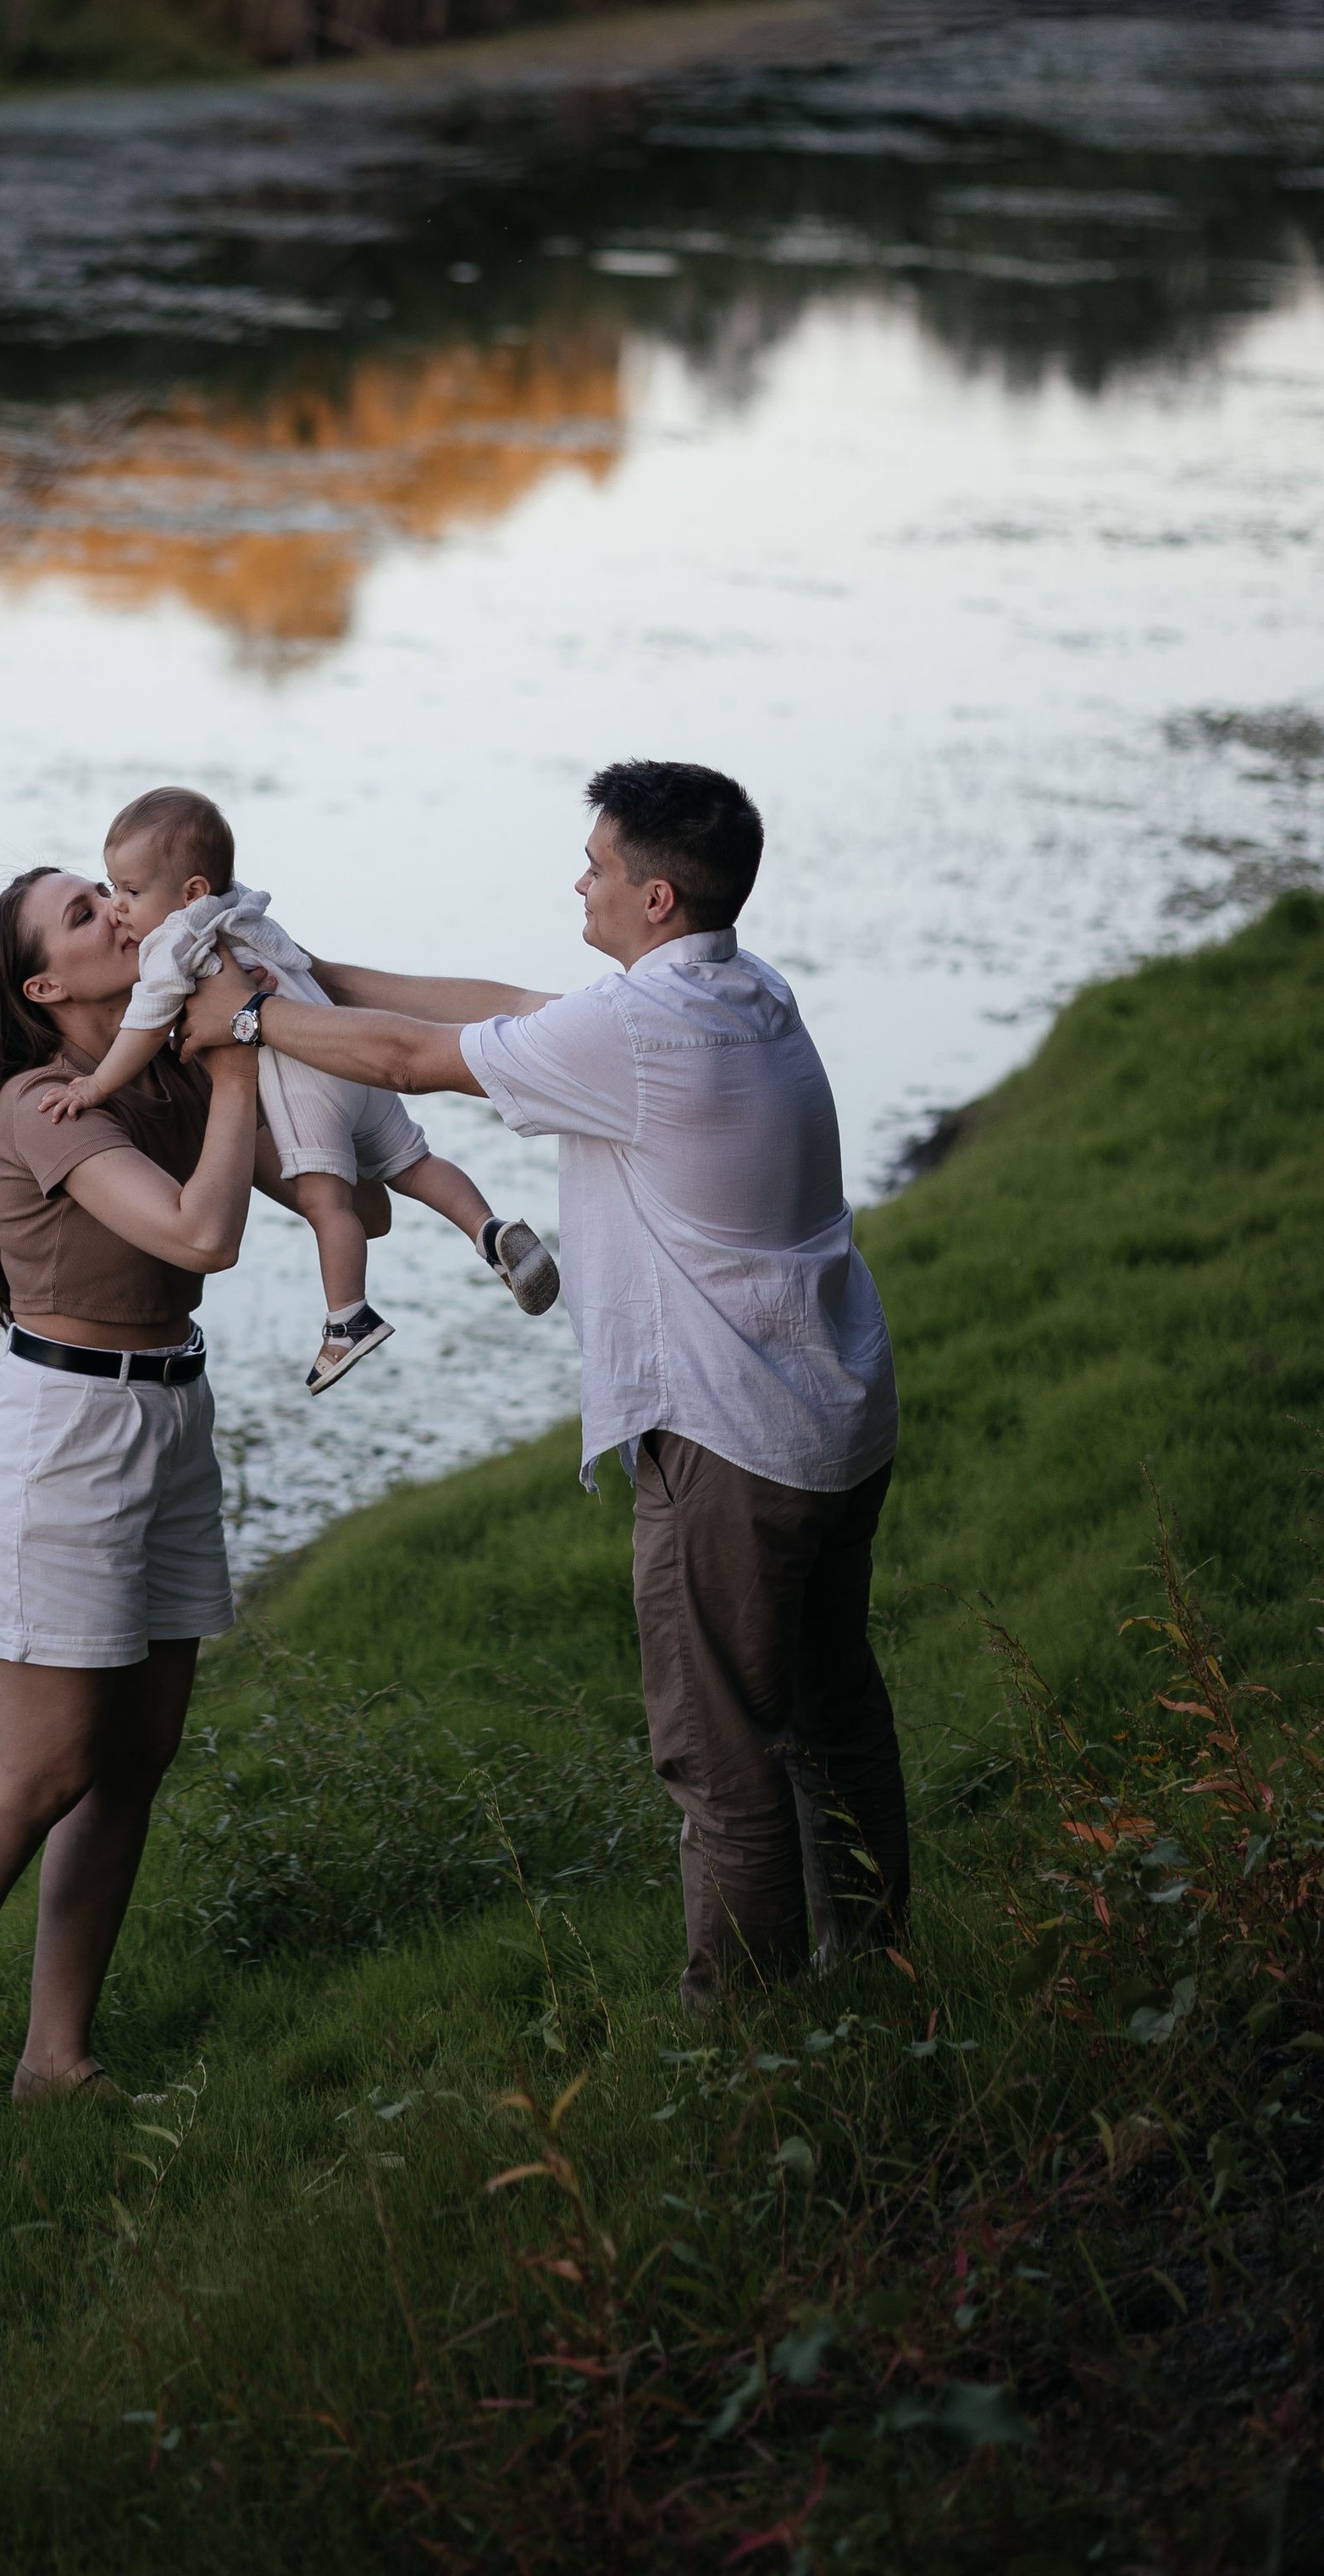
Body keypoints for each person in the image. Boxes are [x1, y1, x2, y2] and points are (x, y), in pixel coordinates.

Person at [177, 758, 906, 2012]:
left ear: (656, 897)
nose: (579, 880)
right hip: (832, 1417)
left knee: (719, 1750)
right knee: (831, 1710)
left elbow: (412, 1059)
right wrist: (307, 976)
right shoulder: (740, 989)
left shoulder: (637, 1032)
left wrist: (247, 1021)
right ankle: (881, 1975)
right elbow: (501, 1008)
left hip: (728, 1438)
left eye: (598, 865)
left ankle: (749, 2041)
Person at [0, 860, 375, 2123]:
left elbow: (335, 1192)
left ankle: (57, 2061)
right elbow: (202, 1236)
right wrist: (238, 1063)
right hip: (68, 1441)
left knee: (134, 1758)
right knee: (41, 1768)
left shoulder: (167, 1069)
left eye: (106, 891)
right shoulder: (44, 1102)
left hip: (173, 1415)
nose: (117, 911)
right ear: (43, 988)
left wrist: (271, 1059)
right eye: (83, 915)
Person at [37, 785, 559, 1392]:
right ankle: (488, 1229)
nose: (118, 908)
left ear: (191, 892)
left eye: (126, 891)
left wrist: (96, 1085)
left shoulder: (172, 945)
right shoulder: (238, 909)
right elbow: (304, 965)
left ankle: (348, 1316)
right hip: (342, 1052)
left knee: (326, 1205)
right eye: (110, 890)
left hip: (302, 1077)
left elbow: (146, 1024)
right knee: (416, 1165)